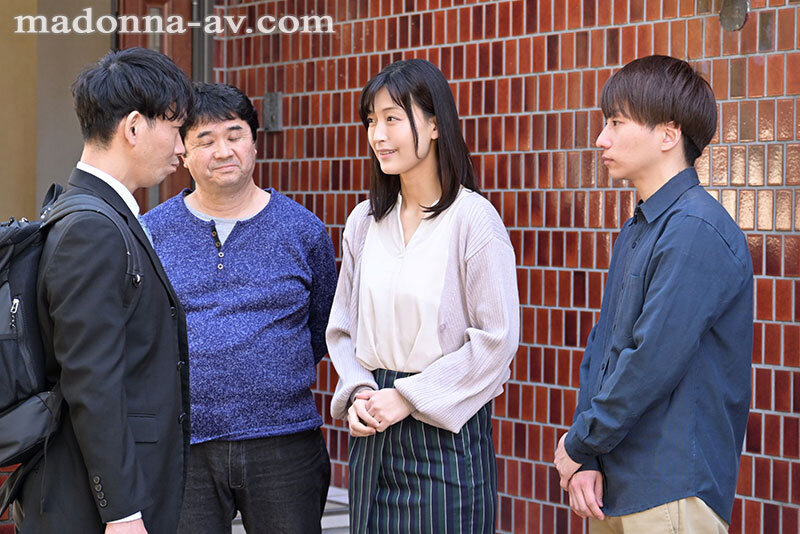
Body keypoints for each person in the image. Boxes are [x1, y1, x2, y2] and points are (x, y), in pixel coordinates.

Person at [553, 55, 753, 533]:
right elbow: (603, 350)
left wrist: (580, 444)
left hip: (670, 490)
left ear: (668, 134)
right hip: (613, 488)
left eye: (616, 122)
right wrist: (588, 456)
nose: (601, 138)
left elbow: (650, 360)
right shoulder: (639, 228)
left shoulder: (695, 228)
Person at [327, 59, 520, 533]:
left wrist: (408, 398)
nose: (378, 135)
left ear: (435, 125)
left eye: (392, 118)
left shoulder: (473, 220)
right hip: (373, 428)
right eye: (371, 121)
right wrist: (359, 392)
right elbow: (343, 328)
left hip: (444, 434)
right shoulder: (363, 222)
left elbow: (496, 340)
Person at [11, 47, 193, 533]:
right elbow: (93, 382)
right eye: (176, 129)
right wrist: (123, 512)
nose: (182, 149)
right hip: (96, 508)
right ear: (133, 128)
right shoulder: (93, 228)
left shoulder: (88, 212)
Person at [142, 82, 336, 534]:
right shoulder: (151, 232)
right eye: (205, 140)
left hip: (284, 440)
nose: (223, 151)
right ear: (183, 153)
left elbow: (323, 325)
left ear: (254, 143)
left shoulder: (302, 230)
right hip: (183, 444)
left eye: (234, 135)